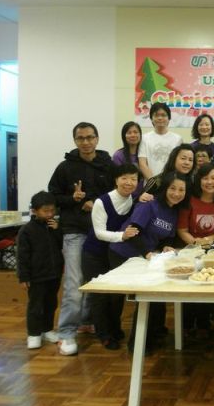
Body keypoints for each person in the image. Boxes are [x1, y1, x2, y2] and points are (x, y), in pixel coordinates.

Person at [48, 122, 113, 356]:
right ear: (75, 140)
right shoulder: (65, 167)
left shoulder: (107, 165)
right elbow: (53, 196)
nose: (86, 142)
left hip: (100, 232)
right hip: (74, 231)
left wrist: (95, 202)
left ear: (97, 138)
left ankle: (86, 321)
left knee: (94, 281)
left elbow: (116, 194)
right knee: (74, 284)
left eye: (90, 137)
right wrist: (73, 199)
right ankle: (66, 332)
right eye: (80, 138)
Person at [110, 172, 190, 353]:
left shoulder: (174, 211)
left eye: (181, 190)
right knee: (140, 298)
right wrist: (147, 253)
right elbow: (133, 233)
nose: (177, 193)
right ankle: (136, 345)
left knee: (155, 295)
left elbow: (164, 238)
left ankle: (152, 336)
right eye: (172, 188)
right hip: (124, 253)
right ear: (165, 188)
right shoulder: (149, 205)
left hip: (145, 257)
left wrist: (165, 247)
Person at [82, 163, 140, 350]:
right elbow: (99, 233)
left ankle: (115, 329)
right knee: (99, 296)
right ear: (116, 180)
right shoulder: (102, 202)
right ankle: (104, 334)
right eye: (124, 178)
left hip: (115, 255)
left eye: (133, 179)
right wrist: (122, 236)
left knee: (116, 295)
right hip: (95, 254)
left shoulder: (134, 200)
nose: (129, 182)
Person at [178, 162, 214, 337]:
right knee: (190, 288)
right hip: (190, 251)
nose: (209, 182)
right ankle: (185, 325)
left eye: (213, 178)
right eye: (205, 178)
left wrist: (209, 240)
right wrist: (195, 243)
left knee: (208, 287)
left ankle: (204, 325)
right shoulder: (189, 201)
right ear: (199, 180)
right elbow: (182, 230)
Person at [17, 191, 63, 350]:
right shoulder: (27, 230)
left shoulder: (55, 226)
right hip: (36, 276)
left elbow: (61, 245)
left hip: (54, 274)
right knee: (36, 306)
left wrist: (57, 230)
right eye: (45, 211)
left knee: (51, 303)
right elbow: (22, 256)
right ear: (34, 211)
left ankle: (47, 329)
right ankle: (34, 334)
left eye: (52, 210)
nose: (50, 214)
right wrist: (23, 277)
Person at [138, 102, 183, 181]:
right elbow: (142, 164)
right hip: (150, 184)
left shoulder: (178, 139)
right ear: (151, 118)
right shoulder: (144, 138)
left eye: (163, 115)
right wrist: (154, 183)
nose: (160, 118)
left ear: (169, 118)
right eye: (156, 115)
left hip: (171, 184)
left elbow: (179, 164)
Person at [112, 121, 144, 198]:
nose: (133, 135)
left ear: (140, 135)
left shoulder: (144, 154)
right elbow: (117, 179)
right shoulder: (118, 155)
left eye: (135, 132)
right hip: (125, 197)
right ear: (124, 136)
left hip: (144, 196)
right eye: (129, 133)